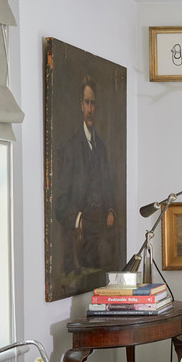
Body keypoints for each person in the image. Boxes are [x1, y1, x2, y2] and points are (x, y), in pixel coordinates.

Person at [54, 75, 119, 275]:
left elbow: (108, 189)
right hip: (78, 242)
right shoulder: (70, 148)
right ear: (81, 105)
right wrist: (78, 221)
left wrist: (110, 211)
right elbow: (60, 203)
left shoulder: (102, 149)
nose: (90, 110)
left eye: (93, 104)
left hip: (101, 239)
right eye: (87, 103)